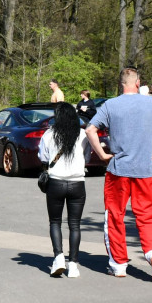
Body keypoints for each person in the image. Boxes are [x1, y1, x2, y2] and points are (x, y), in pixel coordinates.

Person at [86, 67, 152, 281]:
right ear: (138, 83)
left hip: (118, 170)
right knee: (147, 216)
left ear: (121, 84)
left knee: (114, 215)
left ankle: (118, 265)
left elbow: (90, 130)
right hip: (146, 170)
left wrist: (102, 154)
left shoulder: (110, 105)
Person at [39, 102, 90, 279]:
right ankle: (73, 265)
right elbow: (87, 158)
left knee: (55, 222)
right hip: (77, 182)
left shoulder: (49, 134)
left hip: (56, 182)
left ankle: (58, 258)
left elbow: (43, 157)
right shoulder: (82, 134)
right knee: (75, 224)